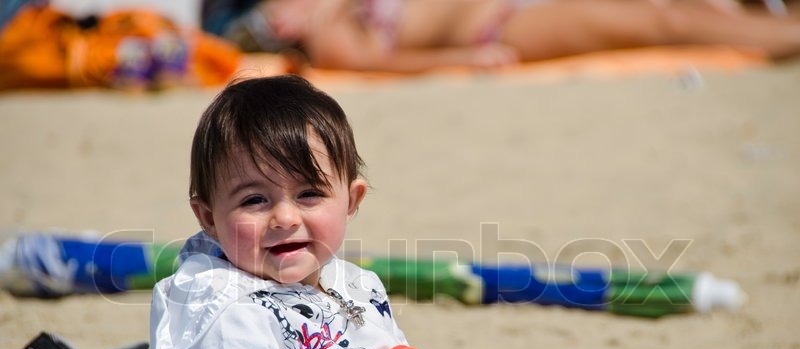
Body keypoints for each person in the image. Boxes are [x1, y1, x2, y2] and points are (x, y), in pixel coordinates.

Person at [145, 74, 614, 349]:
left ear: (351, 199)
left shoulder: (349, 284)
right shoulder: (219, 312)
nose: (285, 217)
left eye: (309, 193)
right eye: (254, 200)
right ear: (208, 216)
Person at [201, 0, 800, 73]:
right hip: (504, 21)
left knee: (683, 8)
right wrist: (472, 57)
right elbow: (395, 64)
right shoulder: (331, 38)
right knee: (664, 22)